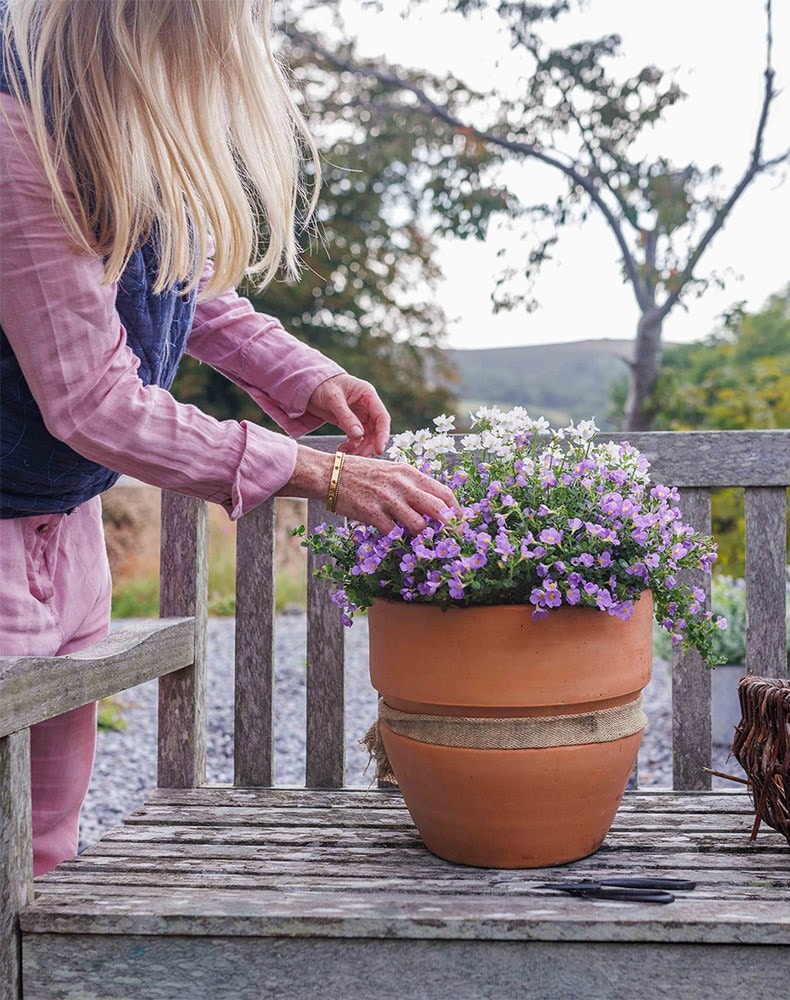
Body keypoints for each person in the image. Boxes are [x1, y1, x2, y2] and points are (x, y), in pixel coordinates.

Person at [0, 0, 457, 876]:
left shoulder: (121, 118)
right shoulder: (17, 125)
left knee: (46, 850)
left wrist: (300, 373)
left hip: (70, 528)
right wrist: (316, 473)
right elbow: (92, 401)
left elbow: (190, 290)